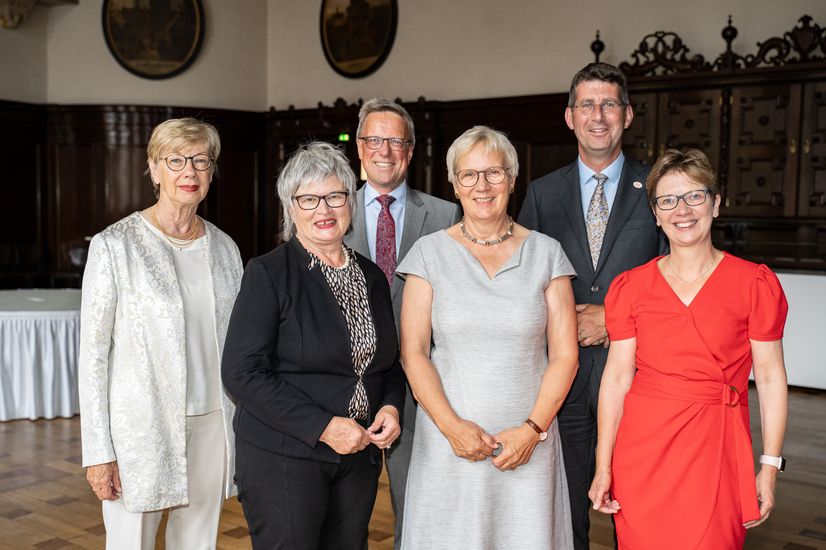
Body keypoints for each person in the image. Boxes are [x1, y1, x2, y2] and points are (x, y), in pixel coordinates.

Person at [588, 148, 789, 549]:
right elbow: (616, 379)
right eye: (668, 200)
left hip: (716, 445)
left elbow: (769, 378)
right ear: (657, 214)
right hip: (642, 451)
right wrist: (603, 465)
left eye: (694, 196)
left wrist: (769, 466)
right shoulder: (630, 287)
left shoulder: (755, 284)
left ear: (715, 204)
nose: (682, 209)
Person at [398, 126, 578, 549]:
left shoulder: (547, 253)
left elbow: (565, 355)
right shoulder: (428, 253)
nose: (482, 185)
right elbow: (414, 353)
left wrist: (533, 430)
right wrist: (452, 427)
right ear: (454, 184)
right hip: (448, 444)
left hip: (529, 444)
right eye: (469, 174)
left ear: (512, 180)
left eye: (494, 173)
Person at [221, 141, 406, 549]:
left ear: (350, 202)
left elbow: (388, 364)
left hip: (358, 457)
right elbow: (241, 372)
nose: (323, 210)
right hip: (286, 457)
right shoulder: (268, 274)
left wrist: (391, 406)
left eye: (335, 196)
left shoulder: (373, 276)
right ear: (290, 208)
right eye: (309, 199)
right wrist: (323, 427)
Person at [518, 62, 666, 549]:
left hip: (639, 378)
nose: (597, 116)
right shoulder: (542, 193)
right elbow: (522, 283)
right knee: (565, 508)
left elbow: (677, 281)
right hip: (564, 379)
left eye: (608, 105)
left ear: (627, 115)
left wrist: (614, 319)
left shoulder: (660, 189)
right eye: (587, 105)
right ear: (569, 117)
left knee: (640, 505)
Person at [79, 117, 244, 550]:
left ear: (212, 171)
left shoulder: (226, 249)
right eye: (175, 160)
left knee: (198, 542)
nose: (189, 172)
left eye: (201, 161)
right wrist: (99, 452)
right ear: (153, 169)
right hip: (140, 429)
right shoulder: (115, 245)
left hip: (212, 422)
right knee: (130, 543)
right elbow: (92, 357)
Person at [344, 97, 459, 547]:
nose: (384, 151)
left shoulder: (446, 216)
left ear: (410, 151)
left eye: (396, 141)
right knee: (347, 519)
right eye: (375, 139)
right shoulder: (331, 211)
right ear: (359, 146)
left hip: (419, 387)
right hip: (347, 387)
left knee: (420, 517)